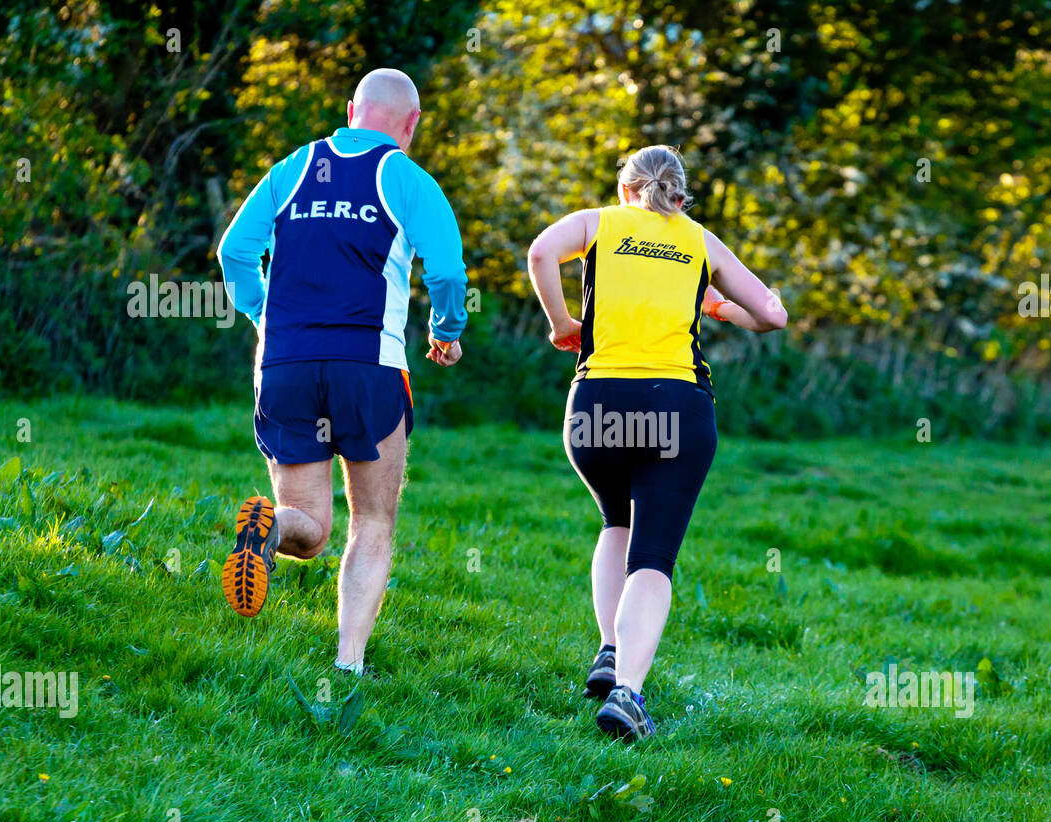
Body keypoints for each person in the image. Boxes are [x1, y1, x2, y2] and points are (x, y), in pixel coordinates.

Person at [526, 145, 787, 739]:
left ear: (626, 189)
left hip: (596, 407)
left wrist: (563, 325)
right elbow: (774, 316)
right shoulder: (699, 241)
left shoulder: (600, 222)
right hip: (675, 407)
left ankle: (610, 650)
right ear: (678, 193)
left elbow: (541, 251)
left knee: (615, 521)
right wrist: (718, 306)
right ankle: (628, 695)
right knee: (654, 556)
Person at [216, 68, 468, 677]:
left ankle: (268, 527)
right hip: (369, 367)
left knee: (311, 529)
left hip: (285, 364)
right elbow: (447, 274)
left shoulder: (293, 168)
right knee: (372, 520)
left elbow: (234, 251)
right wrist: (446, 331)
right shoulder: (407, 178)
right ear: (410, 126)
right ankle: (348, 663)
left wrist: (262, 315)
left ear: (350, 109)